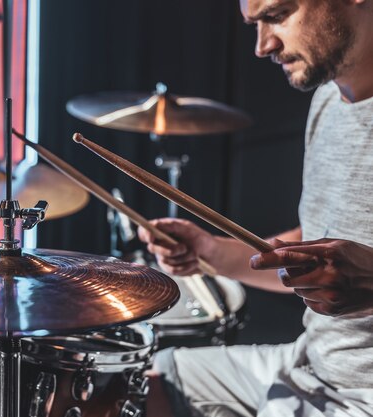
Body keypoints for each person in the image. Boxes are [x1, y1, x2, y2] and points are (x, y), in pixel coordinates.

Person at [138, 0, 373, 415]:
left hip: (361, 396)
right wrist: (209, 252)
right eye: (254, 24)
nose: (262, 46)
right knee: (141, 382)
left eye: (278, 15)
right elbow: (319, 254)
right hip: (309, 363)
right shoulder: (327, 101)